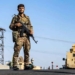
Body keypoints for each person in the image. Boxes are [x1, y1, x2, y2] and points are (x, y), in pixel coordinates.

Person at [9, 4, 33, 70]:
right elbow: (10, 26)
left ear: (24, 9)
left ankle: (27, 64)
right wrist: (16, 25)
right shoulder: (15, 18)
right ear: (18, 9)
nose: (21, 9)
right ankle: (15, 65)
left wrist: (31, 31)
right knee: (16, 51)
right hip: (19, 37)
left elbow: (30, 25)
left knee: (27, 51)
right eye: (20, 8)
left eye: (22, 8)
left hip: (26, 37)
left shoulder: (27, 17)